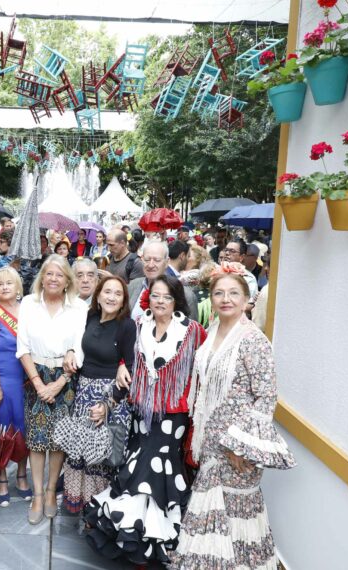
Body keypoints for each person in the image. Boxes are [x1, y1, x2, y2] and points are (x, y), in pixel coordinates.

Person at [174, 269, 295, 570]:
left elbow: (266, 398)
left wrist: (240, 447)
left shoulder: (254, 340)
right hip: (211, 443)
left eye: (233, 293)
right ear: (211, 299)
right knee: (215, 523)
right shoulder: (213, 329)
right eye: (219, 293)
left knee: (235, 522)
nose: (225, 299)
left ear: (246, 300)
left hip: (237, 450)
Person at [85, 275, 206, 566]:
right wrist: (122, 367)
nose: (160, 301)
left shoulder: (193, 331)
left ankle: (149, 535)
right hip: (141, 408)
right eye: (155, 296)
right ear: (148, 299)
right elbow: (125, 357)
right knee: (138, 460)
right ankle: (137, 534)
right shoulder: (139, 326)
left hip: (173, 414)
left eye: (166, 297)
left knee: (157, 463)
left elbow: (202, 370)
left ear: (176, 300)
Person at [17, 255, 87, 524]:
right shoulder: (29, 303)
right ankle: (36, 494)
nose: (54, 279)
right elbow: (22, 346)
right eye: (49, 274)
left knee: (58, 439)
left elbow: (79, 347)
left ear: (67, 279)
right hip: (35, 374)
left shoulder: (78, 307)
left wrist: (59, 383)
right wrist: (38, 383)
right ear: (42, 277)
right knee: (36, 440)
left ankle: (49, 493)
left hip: (66, 377)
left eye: (59, 274)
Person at [64, 276, 134, 514]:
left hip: (111, 401)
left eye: (118, 293)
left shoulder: (127, 326)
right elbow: (76, 343)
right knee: (81, 455)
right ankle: (82, 507)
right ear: (98, 294)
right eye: (107, 292)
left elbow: (129, 372)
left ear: (124, 299)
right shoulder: (90, 317)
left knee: (107, 459)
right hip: (84, 394)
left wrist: (107, 405)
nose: (112, 297)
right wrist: (71, 350)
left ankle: (101, 516)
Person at [0, 267, 32, 507]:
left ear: (19, 286)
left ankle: (22, 475)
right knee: (0, 430)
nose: (5, 287)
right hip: (1, 379)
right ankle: (1, 478)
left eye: (10, 283)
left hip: (27, 381)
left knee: (24, 431)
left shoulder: (29, 310)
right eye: (0, 284)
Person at [128, 241, 198, 321]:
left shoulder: (185, 295)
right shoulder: (133, 285)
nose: (151, 265)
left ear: (167, 262)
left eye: (157, 260)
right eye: (147, 260)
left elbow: (192, 330)